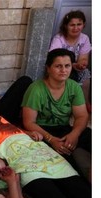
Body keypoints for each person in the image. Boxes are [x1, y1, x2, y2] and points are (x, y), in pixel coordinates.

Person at [21, 48, 91, 181]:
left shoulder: (74, 87)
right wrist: (51, 139)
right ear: (48, 68)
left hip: (64, 129)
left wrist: (74, 134)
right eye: (58, 66)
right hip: (42, 131)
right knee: (63, 161)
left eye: (67, 66)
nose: (63, 70)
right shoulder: (36, 89)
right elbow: (29, 122)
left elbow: (82, 116)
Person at [49, 10, 91, 110]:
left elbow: (84, 57)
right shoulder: (59, 38)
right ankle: (65, 105)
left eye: (79, 24)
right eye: (72, 25)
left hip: (75, 67)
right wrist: (71, 65)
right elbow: (55, 58)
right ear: (66, 26)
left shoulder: (84, 38)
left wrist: (82, 64)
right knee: (65, 76)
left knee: (85, 76)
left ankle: (85, 103)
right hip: (61, 67)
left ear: (83, 25)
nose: (76, 28)